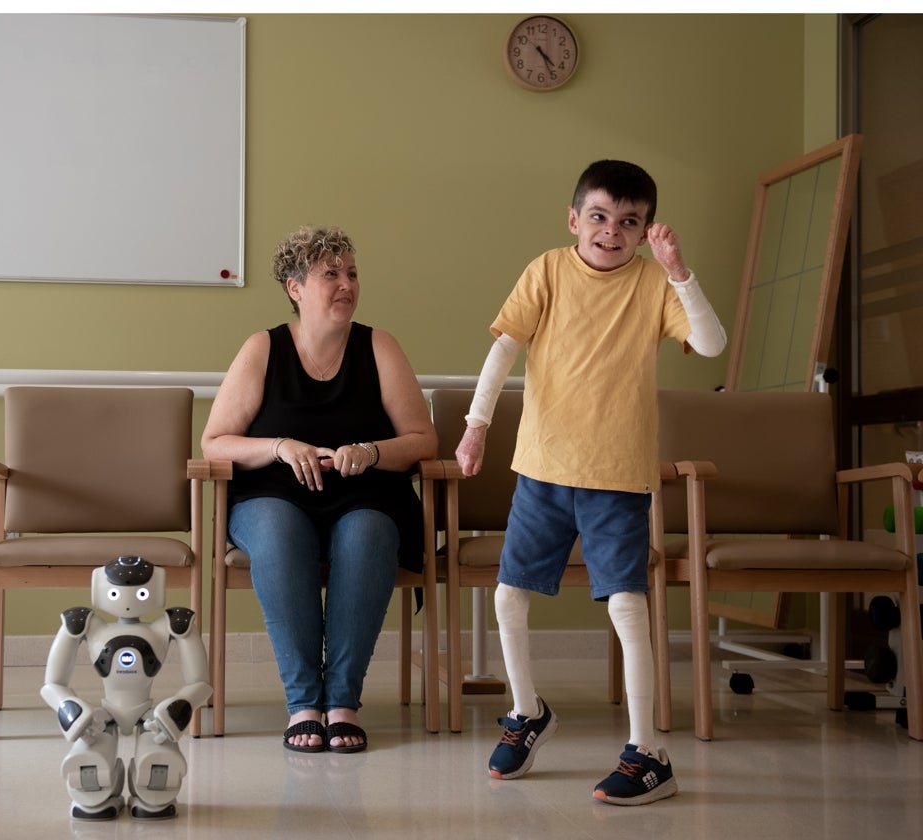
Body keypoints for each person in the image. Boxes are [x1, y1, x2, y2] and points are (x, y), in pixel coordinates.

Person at [455, 160, 727, 805]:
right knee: (508, 596)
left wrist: (680, 271)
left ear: (645, 231)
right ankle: (528, 714)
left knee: (629, 608)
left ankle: (647, 753)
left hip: (616, 475)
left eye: (629, 222)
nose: (612, 231)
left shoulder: (657, 284)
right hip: (543, 468)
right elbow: (503, 351)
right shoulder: (546, 270)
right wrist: (475, 426)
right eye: (600, 217)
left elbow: (712, 345)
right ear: (575, 219)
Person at [201, 225, 437, 754]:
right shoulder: (263, 348)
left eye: (351, 273)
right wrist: (280, 445)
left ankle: (343, 701)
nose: (345, 284)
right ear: (295, 287)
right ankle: (304, 702)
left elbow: (423, 438)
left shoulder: (380, 346)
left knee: (371, 534)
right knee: (281, 534)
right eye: (330, 274)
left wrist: (372, 451)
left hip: (364, 494)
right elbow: (214, 441)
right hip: (271, 494)